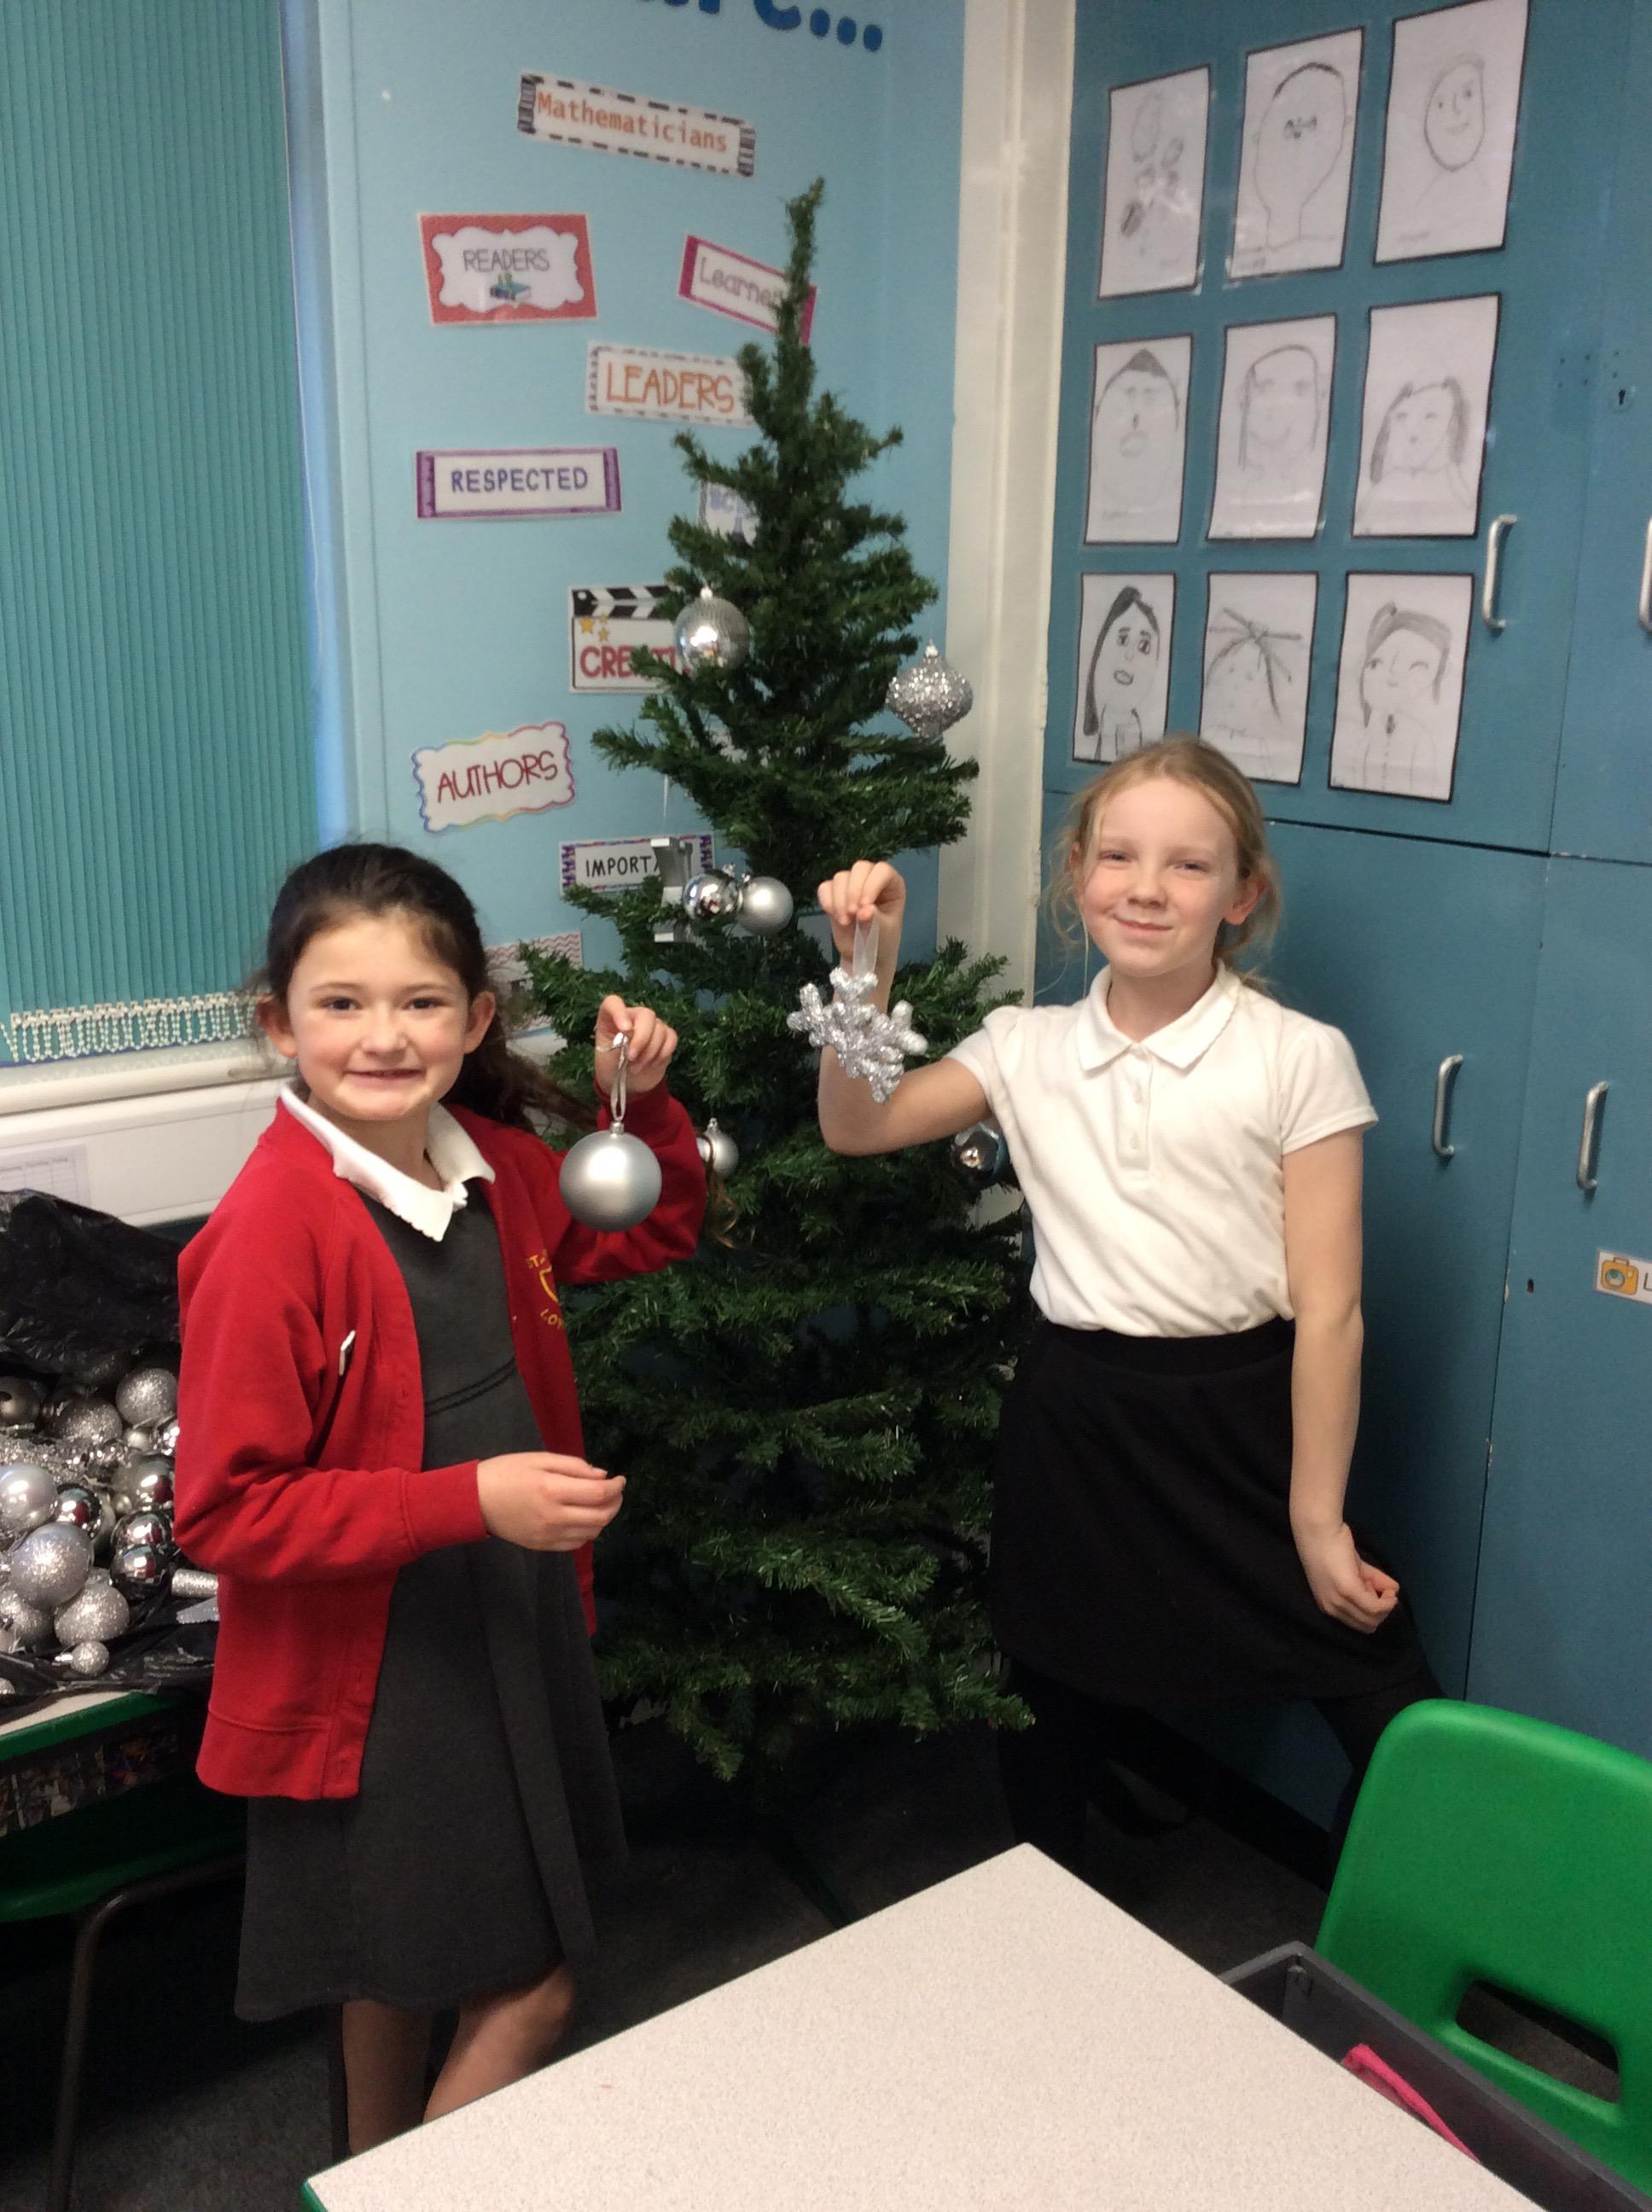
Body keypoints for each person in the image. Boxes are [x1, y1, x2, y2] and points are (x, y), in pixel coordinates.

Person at [813, 738, 1439, 1875]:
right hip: (1078, 1419)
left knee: (1392, 1702)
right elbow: (857, 1126)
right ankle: (1050, 1912)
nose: (1147, 888)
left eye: (1188, 865)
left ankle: (1392, 1940)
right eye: (1118, 856)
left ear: (1241, 895)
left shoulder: (1299, 1058)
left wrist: (1316, 1523)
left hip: (1245, 1419)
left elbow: (1332, 1313)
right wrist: (866, 965)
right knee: (1048, 1691)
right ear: (1077, 874)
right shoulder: (1024, 1045)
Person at [174, 844, 705, 2151]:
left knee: (398, 1966)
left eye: (419, 1002)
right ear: (279, 1023)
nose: (382, 1035)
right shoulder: (271, 1231)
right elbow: (228, 1512)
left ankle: (368, 2165)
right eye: (341, 1003)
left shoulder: (500, 1167)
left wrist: (641, 1109)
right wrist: (469, 1500)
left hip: (500, 1623)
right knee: (534, 1982)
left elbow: (645, 1227)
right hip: (382, 1677)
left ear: (473, 1021)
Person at [1079, 584, 1161, 761]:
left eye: (1144, 646)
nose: (1129, 655)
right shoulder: (1091, 736)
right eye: (1122, 639)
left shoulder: (1135, 731)